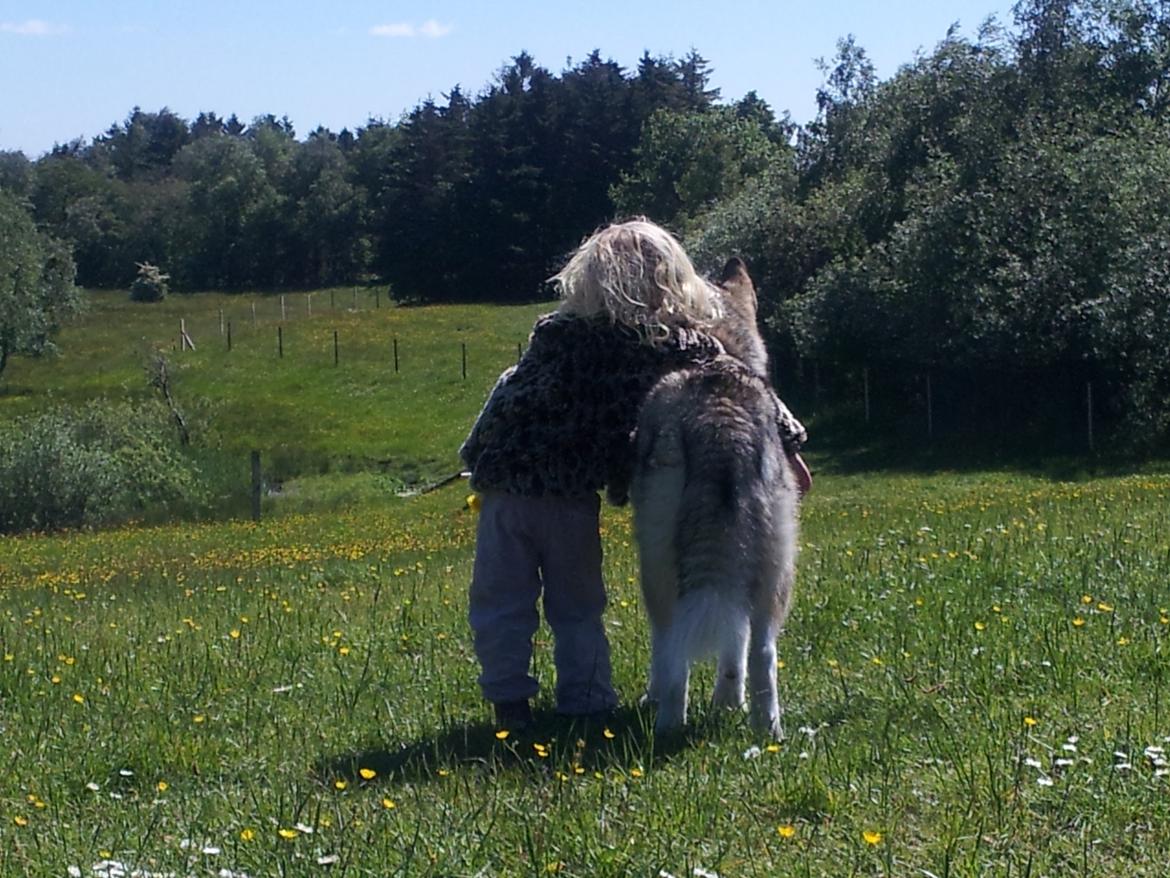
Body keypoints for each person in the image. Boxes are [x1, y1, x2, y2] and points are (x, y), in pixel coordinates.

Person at [459, 219, 729, 729]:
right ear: (669, 280)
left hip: (504, 488)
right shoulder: (656, 345)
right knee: (577, 605)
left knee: (500, 599)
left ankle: (508, 704)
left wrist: (474, 457)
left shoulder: (557, 334)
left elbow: (508, 392)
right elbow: (728, 377)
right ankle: (586, 703)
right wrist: (787, 436)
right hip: (568, 495)